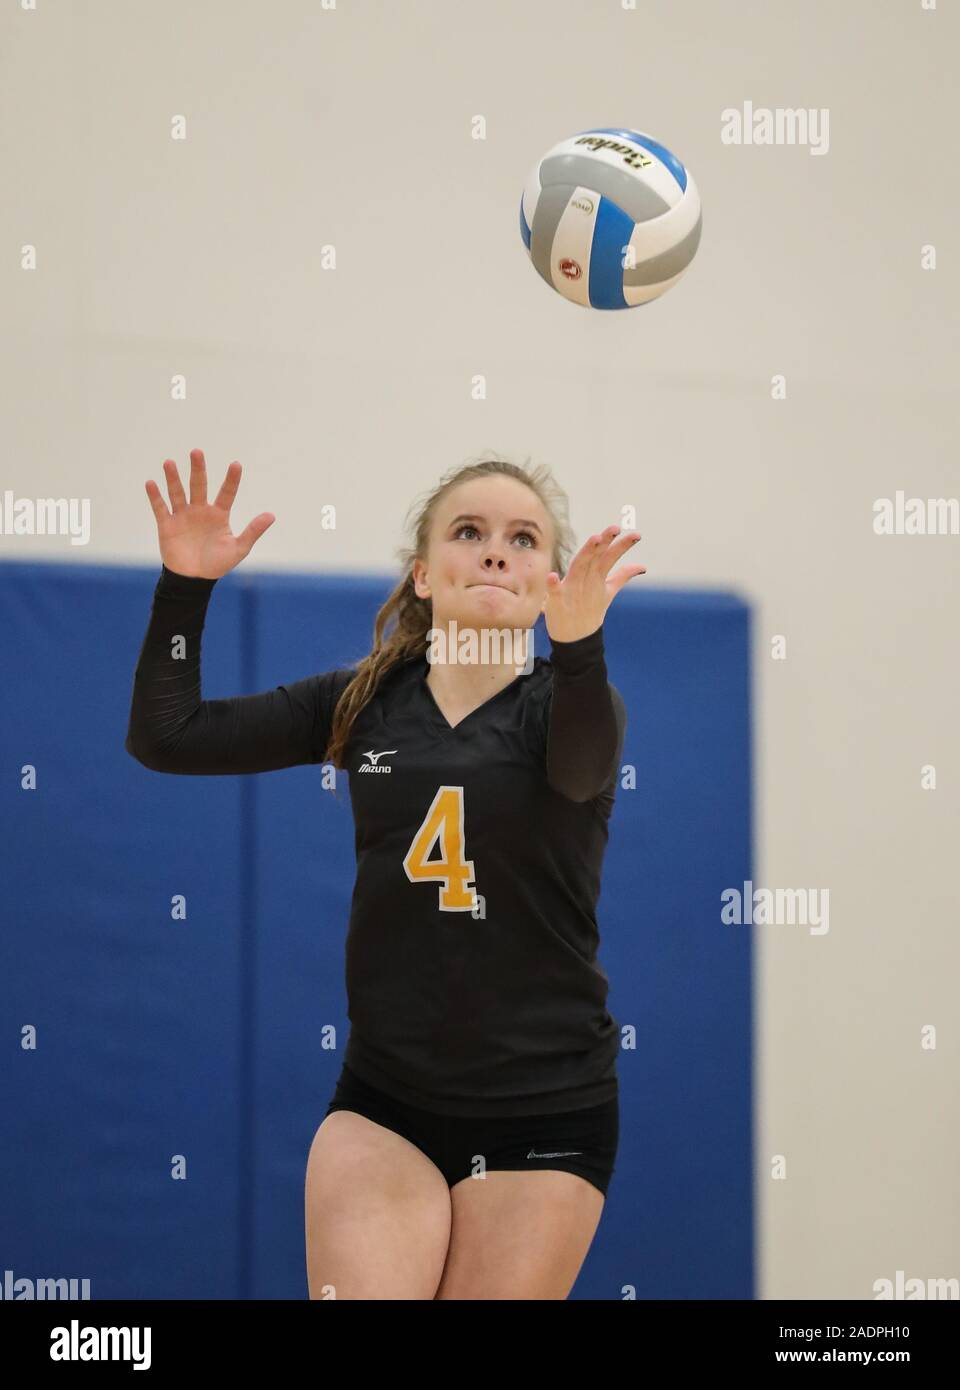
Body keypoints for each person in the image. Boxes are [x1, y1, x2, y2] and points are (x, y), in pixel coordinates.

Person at [126, 448, 646, 1299]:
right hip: (387, 1102)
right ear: (421, 575)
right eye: (469, 531)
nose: (494, 551)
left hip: (545, 1110)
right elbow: (167, 738)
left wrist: (581, 646)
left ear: (552, 581)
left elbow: (583, 772)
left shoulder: (572, 705)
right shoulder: (365, 701)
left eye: (523, 539)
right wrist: (185, 587)